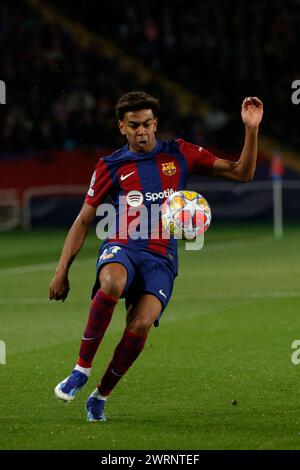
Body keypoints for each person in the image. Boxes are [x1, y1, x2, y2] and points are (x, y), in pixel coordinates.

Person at [49, 91, 263, 422]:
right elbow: (83, 221)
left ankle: (100, 396)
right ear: (122, 127)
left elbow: (242, 173)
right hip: (124, 246)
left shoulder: (179, 153)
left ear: (155, 123)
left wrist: (251, 129)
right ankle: (81, 370)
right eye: (134, 125)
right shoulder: (110, 165)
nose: (142, 132)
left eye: (147, 124)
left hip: (161, 260)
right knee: (111, 281)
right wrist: (61, 271)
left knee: (140, 325)